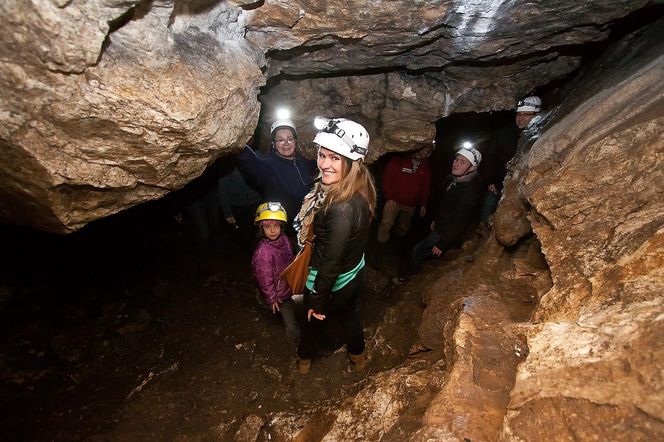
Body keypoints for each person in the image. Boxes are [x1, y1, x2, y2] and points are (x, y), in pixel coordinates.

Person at [293, 116, 376, 375]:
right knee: (349, 315)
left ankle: (303, 363)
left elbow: (331, 260)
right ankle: (358, 358)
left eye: (335, 158)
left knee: (310, 323)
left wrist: (317, 299)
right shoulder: (361, 188)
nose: (324, 164)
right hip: (354, 273)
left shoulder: (341, 207)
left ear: (352, 163)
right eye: (322, 155)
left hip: (333, 281)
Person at [410, 144, 484, 273]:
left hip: (445, 232)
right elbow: (446, 205)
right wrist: (436, 220)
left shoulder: (470, 192)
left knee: (418, 250)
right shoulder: (458, 179)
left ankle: (412, 276)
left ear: (472, 167)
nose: (456, 164)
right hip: (442, 226)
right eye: (456, 159)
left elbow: (460, 222)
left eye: (463, 162)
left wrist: (442, 244)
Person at [238, 117, 317, 226]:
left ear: (295, 141)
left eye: (290, 138)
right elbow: (251, 162)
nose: (286, 143)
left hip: (309, 220)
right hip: (286, 227)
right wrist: (239, 145)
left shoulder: (302, 161)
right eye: (280, 140)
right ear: (273, 144)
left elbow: (318, 166)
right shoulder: (268, 166)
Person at [480, 95, 542, 222]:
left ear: (536, 115)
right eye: (519, 114)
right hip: (496, 185)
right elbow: (490, 156)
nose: (520, 118)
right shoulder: (504, 133)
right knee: (487, 213)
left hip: (519, 189)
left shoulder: (538, 135)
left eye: (526, 114)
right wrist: (489, 180)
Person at [251, 202, 300, 342]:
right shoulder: (263, 253)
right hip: (279, 294)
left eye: (276, 226)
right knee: (290, 320)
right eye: (267, 227)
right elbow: (264, 278)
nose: (272, 230)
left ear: (281, 226)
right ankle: (294, 340)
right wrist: (272, 298)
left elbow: (290, 255)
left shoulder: (284, 239)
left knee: (292, 307)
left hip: (288, 284)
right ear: (261, 228)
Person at [377, 142, 433, 244]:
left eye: (425, 151)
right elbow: (387, 179)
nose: (421, 152)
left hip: (411, 204)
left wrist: (423, 204)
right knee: (386, 223)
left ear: (428, 154)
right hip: (394, 201)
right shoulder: (398, 160)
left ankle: (398, 242)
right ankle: (381, 242)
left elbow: (425, 188)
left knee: (404, 225)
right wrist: (389, 198)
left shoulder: (425, 169)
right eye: (420, 149)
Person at [218, 166, 261, 242]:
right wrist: (228, 214)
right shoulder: (226, 168)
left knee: (260, 232)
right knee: (246, 235)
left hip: (256, 203)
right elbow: (223, 193)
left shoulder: (250, 161)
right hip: (239, 207)